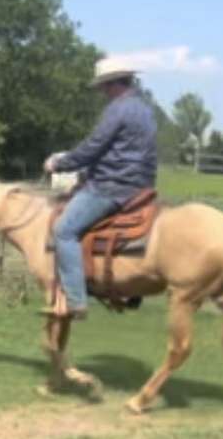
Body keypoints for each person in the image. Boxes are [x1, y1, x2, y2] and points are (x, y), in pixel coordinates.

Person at [43, 56, 157, 318]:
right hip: (141, 186)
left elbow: (94, 146)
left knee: (64, 231)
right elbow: (119, 152)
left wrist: (60, 164)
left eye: (103, 87)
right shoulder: (145, 109)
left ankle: (75, 300)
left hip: (112, 186)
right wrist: (86, 172)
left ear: (113, 84)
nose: (102, 93)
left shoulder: (117, 110)